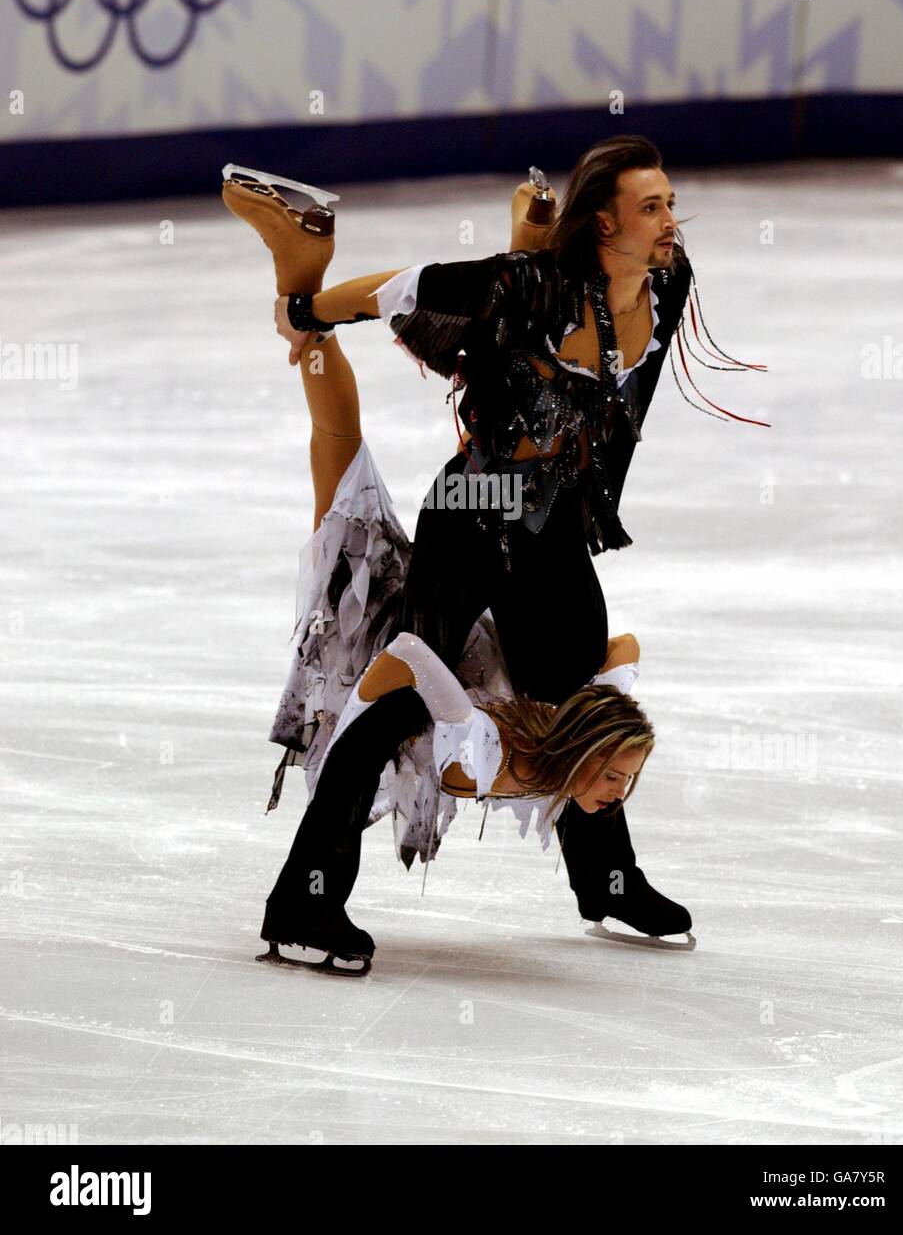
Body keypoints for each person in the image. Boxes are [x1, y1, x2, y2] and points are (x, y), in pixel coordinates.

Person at [221, 140, 764, 970]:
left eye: (669, 202)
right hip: (473, 510)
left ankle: (607, 884)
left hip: (551, 520)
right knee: (402, 695)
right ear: (604, 222)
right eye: (652, 207)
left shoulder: (667, 280)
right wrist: (308, 316)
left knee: (574, 680)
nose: (670, 221)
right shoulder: (527, 289)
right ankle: (305, 901)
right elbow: (404, 289)